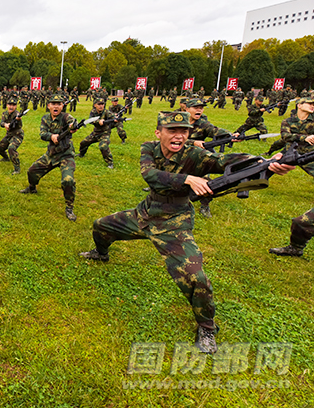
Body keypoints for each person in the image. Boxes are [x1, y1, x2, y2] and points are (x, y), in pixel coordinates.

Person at [79, 111, 293, 353]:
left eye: (184, 131)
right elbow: (149, 175)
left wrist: (262, 162)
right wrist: (188, 179)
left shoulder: (195, 153)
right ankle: (101, 253)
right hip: (145, 214)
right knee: (101, 225)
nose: (179, 136)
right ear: (159, 133)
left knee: (196, 277)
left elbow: (223, 161)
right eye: (172, 130)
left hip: (175, 222)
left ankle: (206, 327)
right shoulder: (149, 148)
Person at [19, 93, 79, 221]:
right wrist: (52, 136)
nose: (56, 106)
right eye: (53, 104)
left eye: (59, 104)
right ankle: (32, 188)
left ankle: (69, 208)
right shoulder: (45, 118)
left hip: (66, 155)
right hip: (51, 154)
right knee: (32, 171)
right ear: (49, 106)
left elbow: (72, 123)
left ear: (62, 106)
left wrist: (72, 127)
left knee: (68, 180)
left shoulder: (66, 117)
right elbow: (42, 133)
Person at [183, 98, 236, 218]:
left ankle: (205, 205)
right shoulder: (178, 121)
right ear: (186, 109)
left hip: (197, 157)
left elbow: (215, 130)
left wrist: (230, 135)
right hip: (178, 154)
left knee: (205, 181)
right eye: (195, 108)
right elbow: (168, 138)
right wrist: (193, 142)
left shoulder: (203, 123)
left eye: (201, 108)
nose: (199, 110)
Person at [78, 99, 116, 169]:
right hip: (96, 133)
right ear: (95, 105)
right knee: (83, 143)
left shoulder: (107, 112)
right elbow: (90, 120)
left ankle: (110, 163)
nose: (101, 106)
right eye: (99, 104)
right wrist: (99, 121)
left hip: (105, 133)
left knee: (103, 146)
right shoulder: (93, 112)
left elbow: (114, 118)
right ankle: (81, 154)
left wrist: (115, 119)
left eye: (102, 104)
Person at [0, 97, 24, 175]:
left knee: (11, 148)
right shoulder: (4, 113)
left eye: (13, 105)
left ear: (16, 106)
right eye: (9, 104)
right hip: (9, 135)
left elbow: (19, 126)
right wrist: (5, 124)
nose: (11, 107)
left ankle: (17, 169)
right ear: (7, 105)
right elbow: (1, 122)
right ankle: (6, 158)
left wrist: (18, 120)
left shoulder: (17, 114)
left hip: (17, 135)